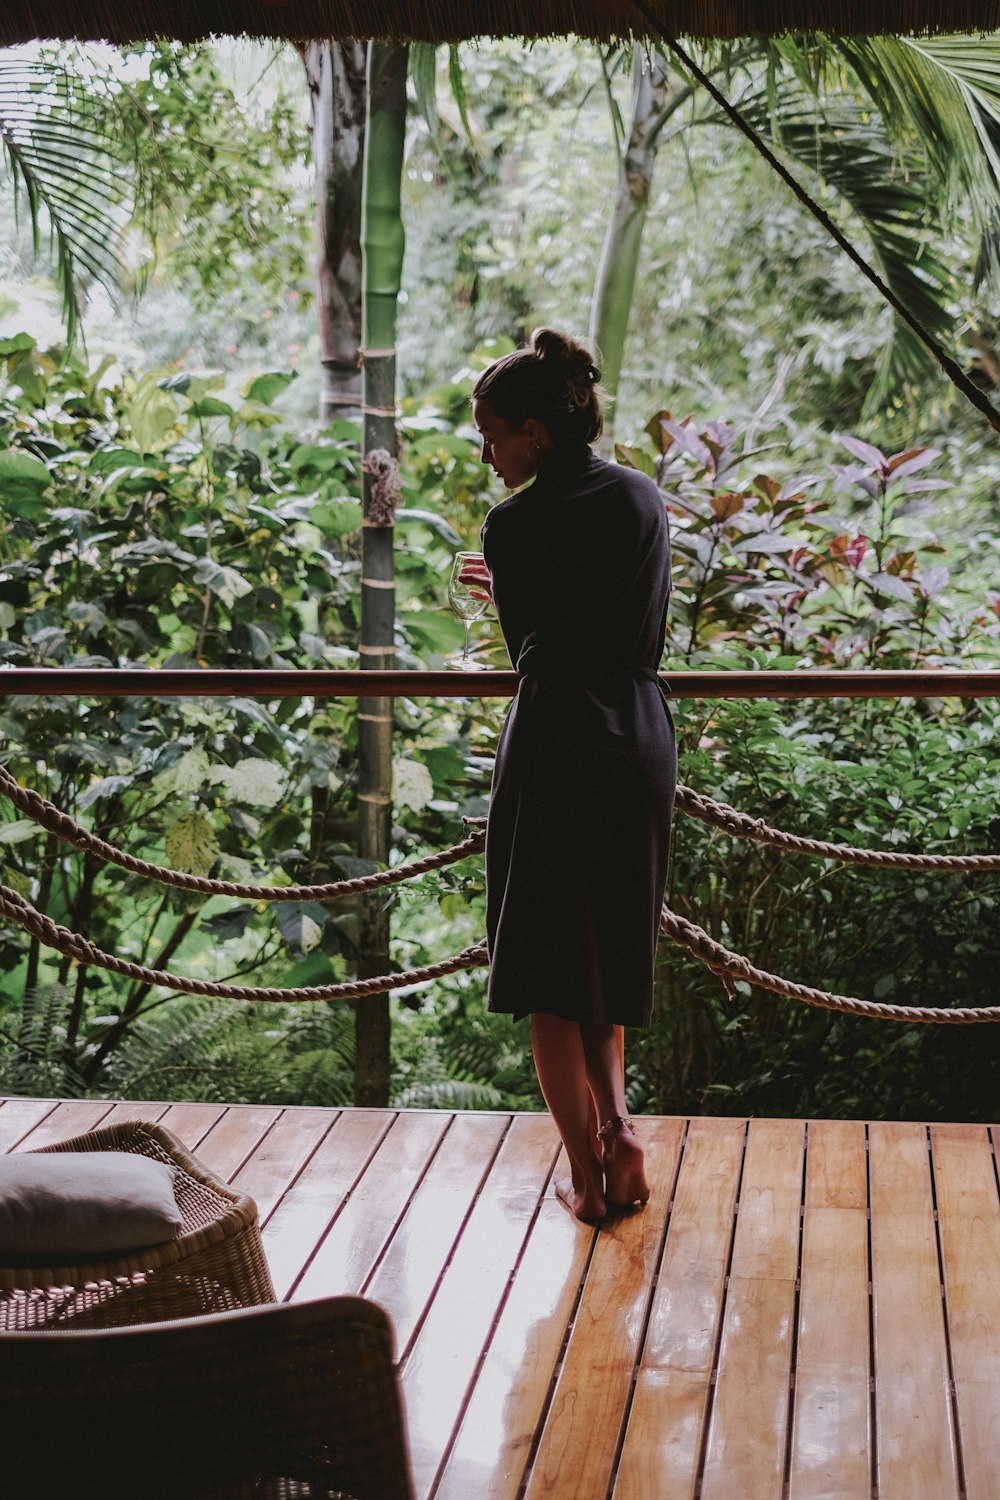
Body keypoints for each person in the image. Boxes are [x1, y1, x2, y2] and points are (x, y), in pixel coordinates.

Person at [465, 327, 676, 1223]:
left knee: (554, 973)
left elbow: (533, 650)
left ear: (535, 434)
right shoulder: (642, 499)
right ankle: (620, 1132)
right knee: (607, 957)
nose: (488, 453)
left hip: (556, 739)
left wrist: (503, 589)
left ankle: (585, 1181)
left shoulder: (513, 525)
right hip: (635, 734)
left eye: (493, 434)